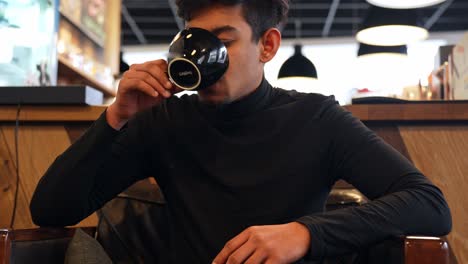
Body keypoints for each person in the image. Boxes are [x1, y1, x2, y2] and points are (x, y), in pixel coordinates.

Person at [30, 1, 452, 263]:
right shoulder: (164, 122)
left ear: (267, 46)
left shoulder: (315, 117)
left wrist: (306, 233)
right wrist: (117, 116)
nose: (207, 58)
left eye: (224, 43)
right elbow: (51, 211)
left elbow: (430, 205)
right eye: (196, 41)